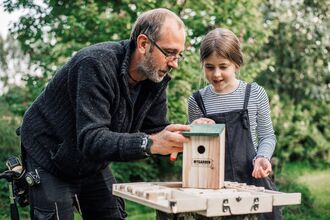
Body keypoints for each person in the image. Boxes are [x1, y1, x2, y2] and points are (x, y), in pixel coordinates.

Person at [20, 8, 190, 220]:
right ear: (143, 43)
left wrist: (190, 137)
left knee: (112, 215)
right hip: (49, 155)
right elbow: (92, 138)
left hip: (92, 161)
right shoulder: (95, 64)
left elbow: (154, 131)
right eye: (169, 52)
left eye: (179, 55)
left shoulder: (155, 79)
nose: (174, 63)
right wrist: (150, 143)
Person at [188, 28, 282, 219]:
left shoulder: (255, 93)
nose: (216, 74)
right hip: (213, 188)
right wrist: (194, 129)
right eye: (209, 67)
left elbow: (267, 136)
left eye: (223, 66)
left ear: (237, 64)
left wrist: (263, 157)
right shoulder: (197, 101)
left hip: (253, 183)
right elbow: (194, 151)